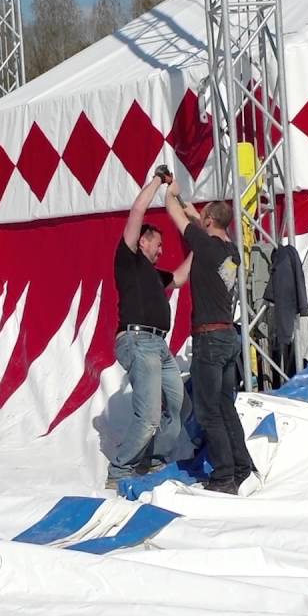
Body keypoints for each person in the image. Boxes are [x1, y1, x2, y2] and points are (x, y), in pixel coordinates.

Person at [164, 180, 255, 495]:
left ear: (209, 222)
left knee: (208, 411)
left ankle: (224, 475)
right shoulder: (231, 252)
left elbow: (175, 213)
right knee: (225, 406)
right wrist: (191, 208)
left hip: (209, 338)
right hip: (228, 336)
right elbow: (195, 217)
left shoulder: (205, 246)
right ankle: (242, 468)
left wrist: (170, 191)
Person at [107, 173, 192, 486]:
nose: (161, 251)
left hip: (158, 345)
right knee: (149, 417)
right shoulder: (127, 259)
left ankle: (153, 459)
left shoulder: (155, 275)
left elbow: (179, 278)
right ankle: (119, 470)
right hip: (137, 340)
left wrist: (200, 245)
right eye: (158, 244)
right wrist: (158, 180)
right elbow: (137, 210)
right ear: (142, 241)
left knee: (181, 406)